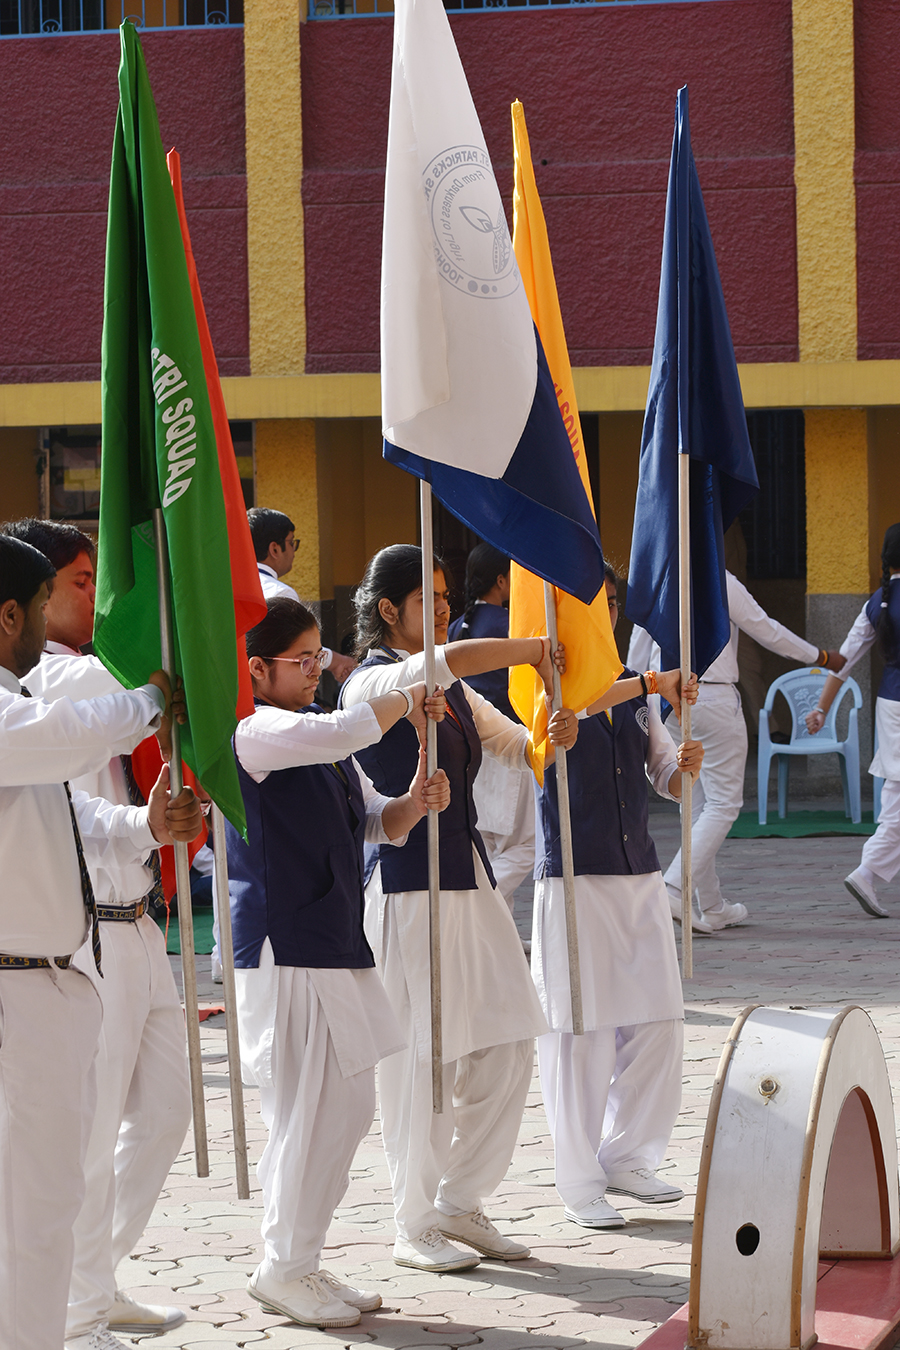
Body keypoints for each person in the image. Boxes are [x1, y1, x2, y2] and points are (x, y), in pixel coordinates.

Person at [340, 544, 584, 1273]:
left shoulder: (454, 692)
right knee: (418, 1061)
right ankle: (412, 1221)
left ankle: (460, 1199)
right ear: (390, 609)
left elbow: (516, 747)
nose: (444, 607)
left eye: (447, 594)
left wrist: (552, 735)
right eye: (430, 597)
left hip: (469, 883)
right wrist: (532, 647)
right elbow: (445, 663)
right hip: (405, 891)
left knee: (510, 1038)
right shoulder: (369, 682)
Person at [0, 534, 202, 1350]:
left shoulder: (17, 712)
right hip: (15, 991)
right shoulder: (21, 714)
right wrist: (152, 700)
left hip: (48, 983)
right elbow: (68, 734)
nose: (50, 620)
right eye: (44, 602)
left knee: (46, 1206)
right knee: (31, 1215)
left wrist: (142, 825)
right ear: (10, 615)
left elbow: (66, 810)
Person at [225, 597, 450, 1329]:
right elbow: (345, 728)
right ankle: (283, 1266)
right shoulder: (256, 732)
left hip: (334, 941)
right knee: (308, 1111)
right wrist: (411, 695)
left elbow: (377, 820)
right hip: (287, 944)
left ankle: (300, 1258)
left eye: (319, 657)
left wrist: (415, 802)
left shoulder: (320, 739)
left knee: (345, 1106)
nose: (314, 671)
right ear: (256, 669)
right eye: (301, 660)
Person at [534, 564, 701, 1229]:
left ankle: (628, 1155)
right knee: (582, 1032)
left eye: (606, 604)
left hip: (638, 874)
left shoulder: (634, 688)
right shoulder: (542, 686)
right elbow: (550, 732)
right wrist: (652, 683)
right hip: (576, 878)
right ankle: (578, 1181)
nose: (600, 616)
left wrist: (680, 771)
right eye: (587, 606)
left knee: (659, 1023)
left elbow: (660, 769)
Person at [629, 570, 844, 932]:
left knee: (696, 806)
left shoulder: (660, 574)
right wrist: (820, 656)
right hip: (710, 694)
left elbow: (637, 650)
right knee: (723, 805)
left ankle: (712, 905)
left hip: (664, 697)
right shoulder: (717, 577)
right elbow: (766, 629)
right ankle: (674, 887)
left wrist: (635, 698)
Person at [806, 524, 900, 918]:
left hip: (890, 706)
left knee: (895, 791)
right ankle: (868, 869)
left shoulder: (877, 603)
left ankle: (869, 871)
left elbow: (842, 663)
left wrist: (821, 709)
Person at [447, 542, 534, 913]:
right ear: (501, 580)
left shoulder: (455, 628)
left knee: (487, 844)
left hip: (467, 749)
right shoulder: (511, 626)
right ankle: (482, 904)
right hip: (507, 743)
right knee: (525, 846)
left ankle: (502, 934)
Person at [247, 507, 356, 683]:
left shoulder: (227, 586)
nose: (293, 551)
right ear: (275, 549)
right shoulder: (280, 593)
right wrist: (337, 662)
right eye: (292, 543)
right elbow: (297, 650)